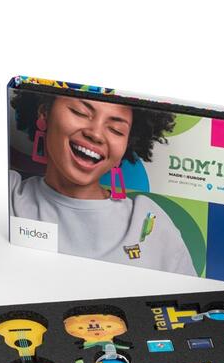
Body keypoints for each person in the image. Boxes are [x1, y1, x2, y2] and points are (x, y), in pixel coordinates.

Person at [10, 92, 196, 275]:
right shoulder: (9, 195)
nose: (96, 134)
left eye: (116, 130)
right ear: (44, 113)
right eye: (80, 112)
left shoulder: (148, 220)